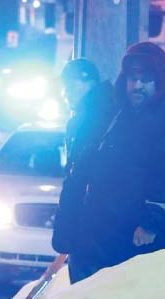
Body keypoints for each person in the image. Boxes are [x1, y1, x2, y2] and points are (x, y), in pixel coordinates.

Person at [56, 42, 165, 282]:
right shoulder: (117, 116)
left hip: (137, 238)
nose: (137, 85)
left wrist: (152, 221)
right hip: (103, 231)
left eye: (146, 79)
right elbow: (86, 171)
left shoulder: (160, 121)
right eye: (132, 78)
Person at [51, 57, 117, 282]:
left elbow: (81, 176)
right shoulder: (87, 115)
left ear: (88, 83)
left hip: (92, 222)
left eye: (70, 85)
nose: (66, 93)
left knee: (87, 289)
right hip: (87, 220)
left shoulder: (100, 116)